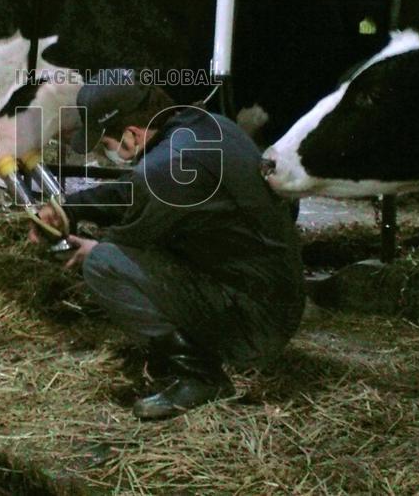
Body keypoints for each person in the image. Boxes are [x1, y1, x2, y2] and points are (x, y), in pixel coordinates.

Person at [31, 78, 304, 420]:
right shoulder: (210, 126)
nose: (108, 151)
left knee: (104, 264)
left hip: (255, 326)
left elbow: (126, 242)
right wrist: (69, 208)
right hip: (274, 295)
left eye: (107, 142)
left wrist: (89, 248)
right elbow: (135, 191)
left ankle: (199, 376)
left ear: (132, 133)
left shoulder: (166, 167)